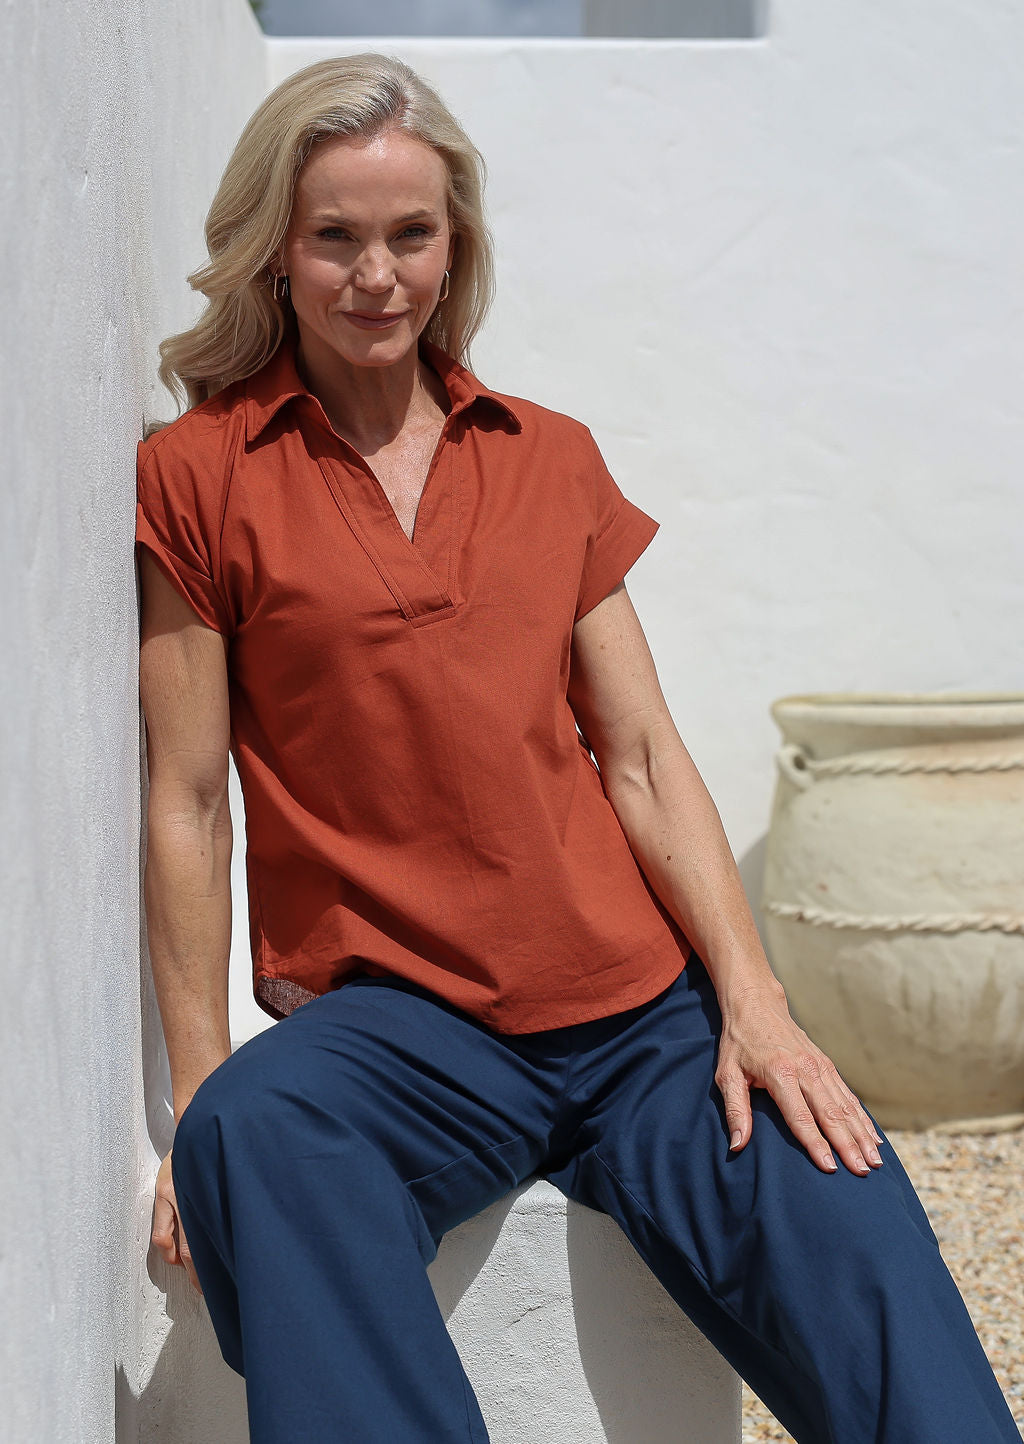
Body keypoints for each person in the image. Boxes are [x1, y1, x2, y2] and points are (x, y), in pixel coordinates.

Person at [136, 53, 1019, 1444]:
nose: (377, 275)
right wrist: (196, 1098)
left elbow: (644, 755)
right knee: (256, 1130)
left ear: (456, 246)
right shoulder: (202, 474)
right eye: (336, 237)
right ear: (275, 252)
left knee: (848, 1205)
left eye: (412, 234)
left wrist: (755, 1002)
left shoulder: (548, 456)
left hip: (641, 1018)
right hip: (404, 1029)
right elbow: (188, 800)